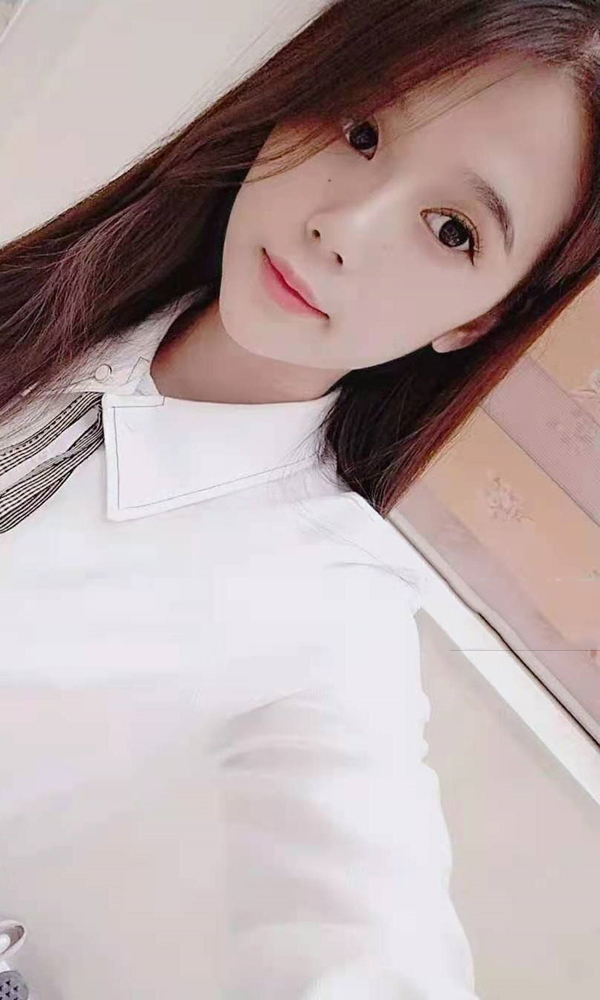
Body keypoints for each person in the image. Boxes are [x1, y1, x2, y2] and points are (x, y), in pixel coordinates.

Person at [1, 1, 599, 997]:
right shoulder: (55, 296)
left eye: (451, 230)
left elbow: (370, 936)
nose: (343, 228)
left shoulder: (327, 606)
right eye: (360, 131)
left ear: (482, 319)